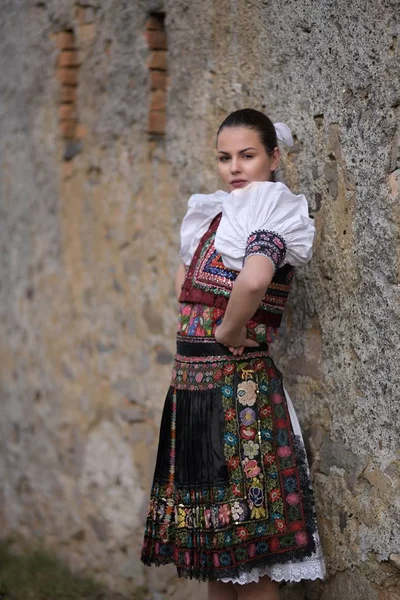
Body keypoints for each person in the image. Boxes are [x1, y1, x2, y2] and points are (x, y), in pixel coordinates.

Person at [141, 109, 326, 599]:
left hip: (239, 394)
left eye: (248, 155)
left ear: (274, 157)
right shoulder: (216, 214)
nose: (235, 167)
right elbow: (184, 284)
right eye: (225, 158)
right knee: (216, 556)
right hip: (194, 392)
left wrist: (228, 329)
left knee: (250, 553)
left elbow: (256, 278)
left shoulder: (271, 210)